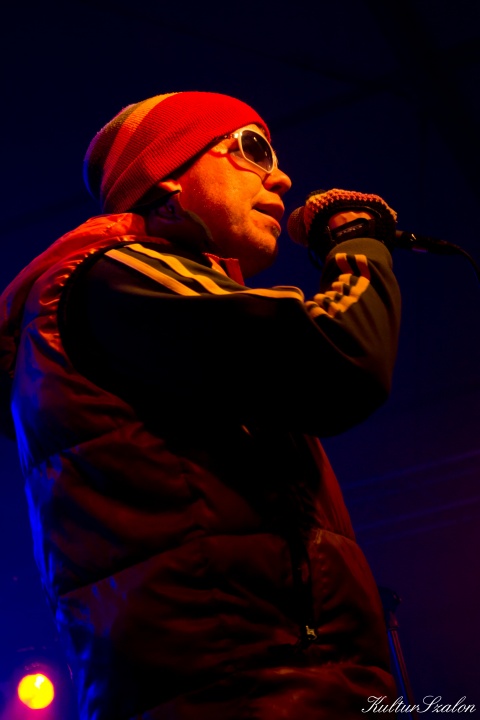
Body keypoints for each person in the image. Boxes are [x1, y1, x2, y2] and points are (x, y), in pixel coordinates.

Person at [0, 91, 401, 719]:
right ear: (167, 178)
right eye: (253, 150)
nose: (281, 178)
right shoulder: (113, 277)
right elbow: (340, 358)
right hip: (249, 694)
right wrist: (357, 243)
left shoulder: (154, 301)